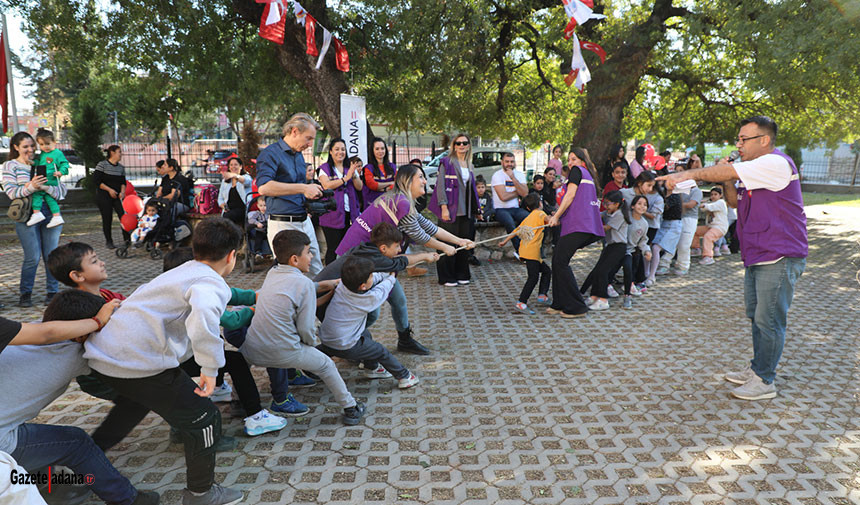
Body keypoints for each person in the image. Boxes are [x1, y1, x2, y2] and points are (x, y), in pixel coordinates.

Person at [82, 218, 245, 505]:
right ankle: (201, 493)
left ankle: (80, 469)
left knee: (134, 403)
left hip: (104, 357)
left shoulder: (182, 271)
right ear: (232, 256)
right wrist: (210, 368)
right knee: (205, 417)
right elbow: (204, 318)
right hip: (141, 361)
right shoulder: (211, 282)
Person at [658, 115, 807, 400]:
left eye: (743, 139)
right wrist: (729, 177)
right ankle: (758, 368)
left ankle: (765, 381)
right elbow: (733, 202)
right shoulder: (753, 169)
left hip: (779, 253)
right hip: (758, 253)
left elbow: (718, 177)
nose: (738, 144)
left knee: (770, 319)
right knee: (756, 316)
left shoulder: (775, 163)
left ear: (764, 140)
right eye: (737, 139)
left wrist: (687, 174)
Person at [0, 329, 159, 505]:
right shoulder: (77, 353)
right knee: (76, 442)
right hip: (2, 444)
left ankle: (47, 485)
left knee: (43, 442)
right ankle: (128, 500)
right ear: (82, 334)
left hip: (5, 422)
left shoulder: (19, 337)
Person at [239, 230, 367, 425]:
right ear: (295, 259)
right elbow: (306, 329)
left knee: (243, 363)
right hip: (285, 353)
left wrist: (329, 284)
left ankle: (237, 402)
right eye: (308, 252)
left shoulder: (273, 273)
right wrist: (309, 346)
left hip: (252, 349)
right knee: (326, 365)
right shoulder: (303, 284)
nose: (312, 256)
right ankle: (350, 407)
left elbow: (298, 288)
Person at [316, 223, 439, 355]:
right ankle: (341, 349)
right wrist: (425, 256)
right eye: (397, 246)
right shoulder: (377, 260)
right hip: (322, 299)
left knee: (374, 315)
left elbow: (398, 260)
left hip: (322, 292)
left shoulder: (367, 249)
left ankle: (348, 345)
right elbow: (400, 263)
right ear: (383, 248)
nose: (400, 250)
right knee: (369, 320)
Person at [318, 256, 420, 389]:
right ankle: (404, 377)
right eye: (371, 276)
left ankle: (371, 368)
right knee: (379, 351)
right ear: (363, 286)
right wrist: (392, 276)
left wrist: (385, 273)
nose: (373, 277)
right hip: (347, 344)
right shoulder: (368, 299)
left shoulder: (343, 284)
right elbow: (384, 288)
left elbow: (372, 280)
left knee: (366, 337)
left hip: (327, 337)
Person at [335, 164, 474, 261]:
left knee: (398, 301)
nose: (425, 181)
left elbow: (431, 228)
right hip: (355, 255)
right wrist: (445, 248)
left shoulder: (402, 200)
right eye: (420, 177)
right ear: (407, 181)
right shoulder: (402, 203)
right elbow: (420, 236)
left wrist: (460, 241)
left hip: (365, 254)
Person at [256, 113, 325, 276]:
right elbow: (264, 188)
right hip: (283, 224)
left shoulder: (298, 155)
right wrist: (302, 188)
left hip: (304, 220)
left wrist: (310, 189)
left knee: (317, 271)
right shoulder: (270, 153)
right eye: (308, 138)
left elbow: (298, 186)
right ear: (294, 131)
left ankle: (316, 302)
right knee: (289, 275)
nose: (310, 144)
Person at [3, 132, 65, 308]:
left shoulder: (45, 161)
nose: (30, 150)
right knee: (32, 257)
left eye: (32, 146)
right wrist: (31, 187)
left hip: (50, 213)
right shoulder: (10, 166)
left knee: (51, 256)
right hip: (26, 214)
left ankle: (52, 293)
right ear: (16, 147)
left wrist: (45, 187)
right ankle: (25, 294)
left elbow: (61, 192)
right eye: (25, 147)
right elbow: (11, 193)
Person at [545, 148, 604, 318]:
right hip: (583, 225)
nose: (570, 163)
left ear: (582, 161)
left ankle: (576, 306)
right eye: (569, 159)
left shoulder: (577, 171)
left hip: (579, 225)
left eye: (573, 159)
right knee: (557, 260)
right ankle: (559, 303)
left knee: (560, 262)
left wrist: (556, 216)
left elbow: (570, 196)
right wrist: (556, 215)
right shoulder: (587, 174)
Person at [428, 133, 479, 286]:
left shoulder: (470, 165)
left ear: (469, 145)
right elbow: (440, 187)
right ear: (454, 146)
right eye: (458, 143)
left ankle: (462, 274)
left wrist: (477, 210)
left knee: (463, 243)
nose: (461, 146)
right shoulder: (446, 162)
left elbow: (472, 189)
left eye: (464, 143)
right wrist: (443, 207)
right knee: (447, 243)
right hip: (450, 209)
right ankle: (446, 277)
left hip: (466, 210)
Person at [498, 193, 550, 315]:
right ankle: (521, 303)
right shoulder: (541, 214)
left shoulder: (528, 217)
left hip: (525, 250)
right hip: (532, 252)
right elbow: (550, 221)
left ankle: (542, 296)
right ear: (540, 204)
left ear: (527, 208)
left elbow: (516, 231)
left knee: (547, 271)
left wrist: (504, 241)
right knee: (533, 278)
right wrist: (556, 219)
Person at [580, 191, 630, 311]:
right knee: (597, 271)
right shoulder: (608, 212)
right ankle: (594, 295)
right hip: (610, 246)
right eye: (604, 203)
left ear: (617, 204)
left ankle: (603, 299)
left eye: (608, 204)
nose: (606, 206)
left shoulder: (619, 215)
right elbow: (597, 214)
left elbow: (606, 228)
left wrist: (589, 227)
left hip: (619, 247)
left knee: (603, 272)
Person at [318, 139, 364, 264]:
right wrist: (345, 178)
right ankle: (329, 277)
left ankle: (346, 275)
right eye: (337, 149)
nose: (340, 152)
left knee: (349, 248)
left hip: (350, 212)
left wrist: (353, 175)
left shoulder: (349, 167)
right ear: (331, 152)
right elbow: (326, 185)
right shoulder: (324, 168)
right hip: (331, 214)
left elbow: (359, 187)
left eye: (343, 149)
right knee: (333, 248)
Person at [657, 159, 702, 276]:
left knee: (684, 244)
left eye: (681, 172)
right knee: (670, 242)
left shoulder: (696, 191)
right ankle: (664, 264)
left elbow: (691, 204)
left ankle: (683, 265)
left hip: (689, 219)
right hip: (676, 219)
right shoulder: (676, 189)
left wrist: (675, 204)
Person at [27, 128, 68, 228]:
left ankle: (36, 213)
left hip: (50, 179)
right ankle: (57, 216)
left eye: (47, 144)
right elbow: (40, 163)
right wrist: (33, 163)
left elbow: (65, 164)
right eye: (41, 144)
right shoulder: (43, 154)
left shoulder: (58, 153)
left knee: (37, 193)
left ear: (54, 142)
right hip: (44, 177)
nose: (44, 147)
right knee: (49, 198)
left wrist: (60, 172)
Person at [490, 152, 529, 254]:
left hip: (516, 209)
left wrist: (513, 178)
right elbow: (503, 197)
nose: (509, 164)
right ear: (502, 162)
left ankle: (533, 250)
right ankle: (520, 252)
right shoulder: (497, 175)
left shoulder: (519, 175)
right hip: (500, 209)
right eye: (507, 161)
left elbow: (525, 193)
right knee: (509, 223)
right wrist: (518, 191)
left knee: (529, 219)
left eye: (512, 162)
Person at [93, 145, 129, 249]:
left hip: (118, 197)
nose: (121, 154)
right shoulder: (102, 165)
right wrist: (109, 190)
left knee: (123, 216)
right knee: (107, 218)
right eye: (119, 152)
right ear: (112, 153)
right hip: (104, 196)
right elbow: (97, 181)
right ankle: (109, 241)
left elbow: (123, 182)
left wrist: (122, 192)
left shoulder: (121, 168)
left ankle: (127, 239)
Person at [646, 188, 682, 285]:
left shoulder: (674, 196)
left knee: (655, 248)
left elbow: (664, 208)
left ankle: (651, 275)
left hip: (673, 225)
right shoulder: (660, 195)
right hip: (662, 224)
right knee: (650, 248)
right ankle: (647, 273)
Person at [623, 195, 652, 307]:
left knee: (631, 263)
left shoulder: (644, 224)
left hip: (630, 250)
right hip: (619, 248)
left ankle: (629, 286)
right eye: (639, 203)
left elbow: (643, 241)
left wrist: (647, 251)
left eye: (645, 205)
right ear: (633, 206)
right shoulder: (626, 217)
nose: (642, 206)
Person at [692, 186, 729, 265]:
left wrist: (702, 204)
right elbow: (704, 208)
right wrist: (703, 204)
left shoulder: (721, 202)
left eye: (715, 194)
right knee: (694, 230)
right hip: (710, 227)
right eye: (711, 194)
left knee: (708, 237)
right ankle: (696, 249)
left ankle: (708, 257)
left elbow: (710, 207)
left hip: (720, 227)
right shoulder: (711, 203)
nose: (713, 196)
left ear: (720, 195)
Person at [362, 138, 397, 209]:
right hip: (373, 205)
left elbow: (397, 184)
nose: (380, 151)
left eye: (382, 148)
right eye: (377, 149)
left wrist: (380, 187)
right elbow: (373, 185)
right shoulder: (368, 168)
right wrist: (389, 184)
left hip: (389, 204)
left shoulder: (392, 167)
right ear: (372, 151)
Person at [218, 157, 252, 227]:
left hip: (242, 210)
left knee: (227, 218)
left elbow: (246, 181)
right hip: (228, 210)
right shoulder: (225, 182)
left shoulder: (246, 177)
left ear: (241, 166)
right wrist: (223, 205)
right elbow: (220, 198)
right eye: (231, 165)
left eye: (236, 165)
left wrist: (234, 175)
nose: (233, 167)